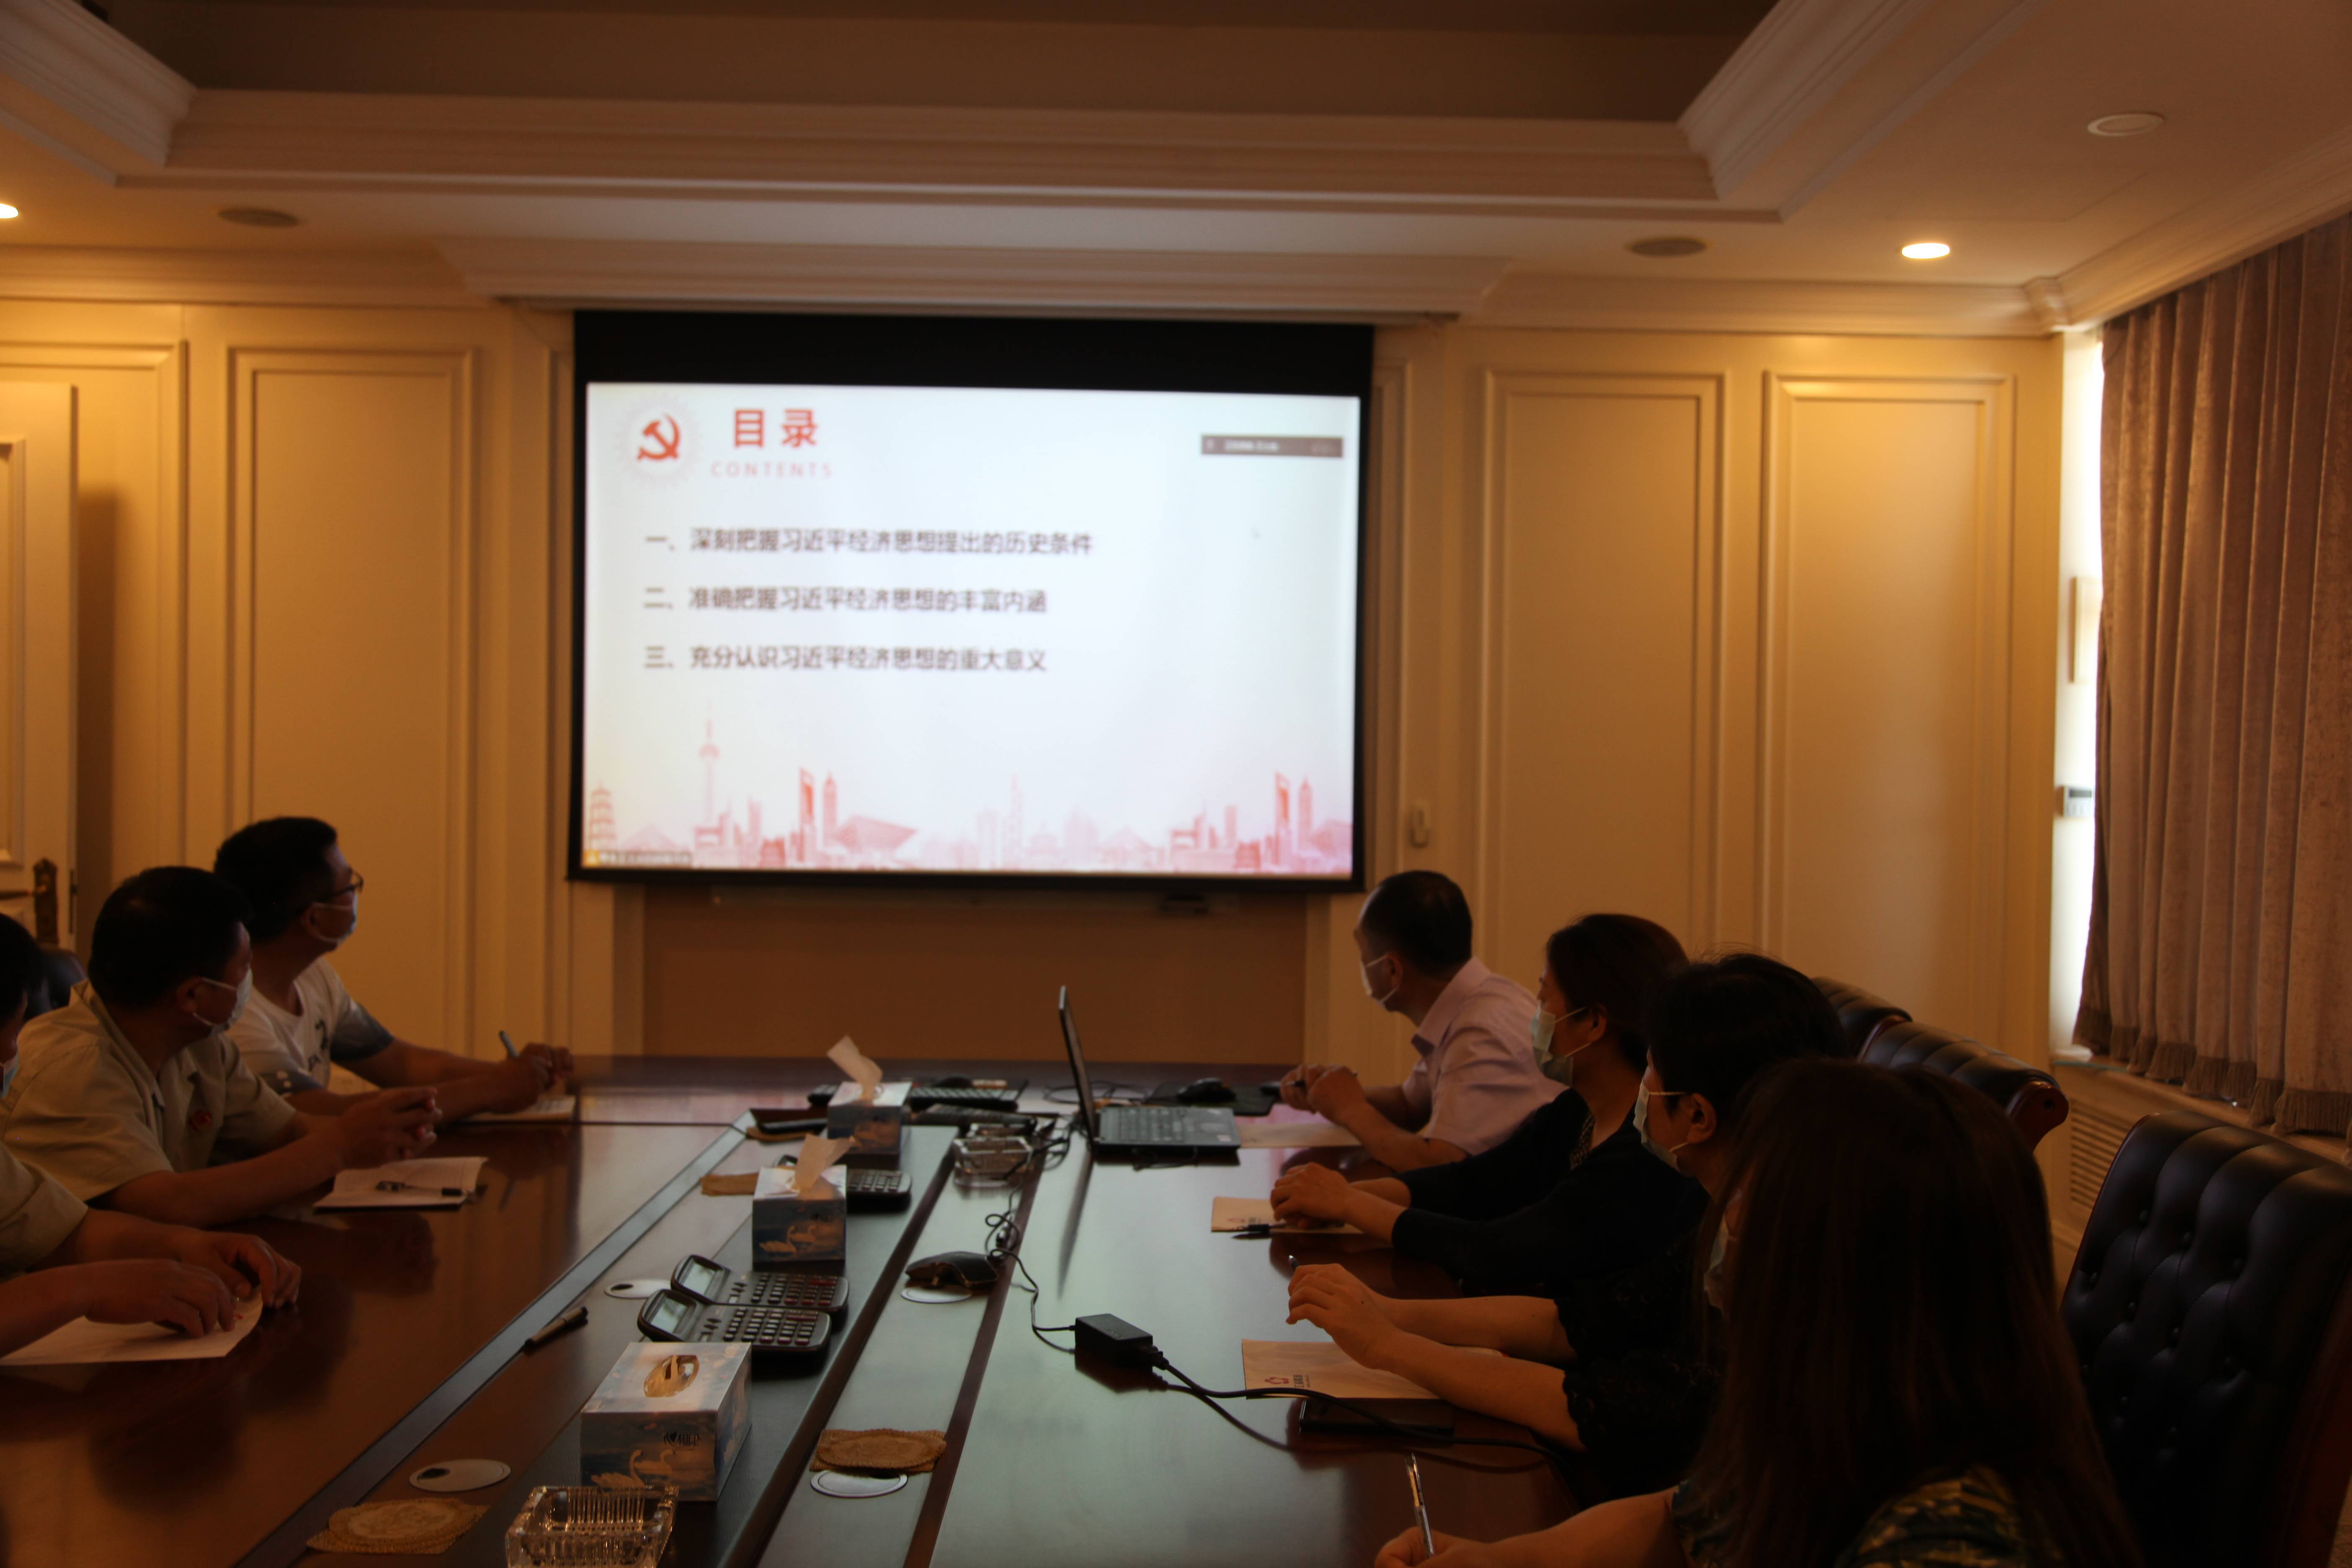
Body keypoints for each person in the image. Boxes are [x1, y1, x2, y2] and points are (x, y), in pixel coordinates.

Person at [1371, 1060, 2144, 1568]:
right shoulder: (1845, 1416)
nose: (1728, 1216)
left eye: (1753, 1192)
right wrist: (1497, 1559)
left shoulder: (1947, 1537)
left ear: (1834, 1262)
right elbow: (1681, 1518)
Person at [1289, 952, 1844, 1492]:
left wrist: (1389, 1345)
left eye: (1654, 1067)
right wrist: (1388, 1315)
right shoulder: (1717, 1216)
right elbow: (1574, 1321)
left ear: (1698, 1115)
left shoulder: (1769, 1252)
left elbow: (1606, 1411)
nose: (1644, 1084)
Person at [1271, 913, 1694, 1296]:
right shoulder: (1577, 1111)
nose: (1536, 1017)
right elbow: (1473, 1183)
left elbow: (1495, 1251)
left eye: (1544, 1001)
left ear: (1594, 1023)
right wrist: (1339, 1196)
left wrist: (1350, 1205)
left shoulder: (1643, 1152)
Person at [2, 867, 440, 1227]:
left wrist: (383, 1131)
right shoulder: (70, 1068)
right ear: (193, 995)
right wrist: (340, 1146)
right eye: (245, 966)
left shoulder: (200, 1043)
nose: (251, 981)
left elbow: (287, 1132)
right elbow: (166, 1206)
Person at [0, 914, 302, 1355]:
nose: (11, 1057)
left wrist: (186, 1247)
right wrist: (88, 1288)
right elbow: (161, 1203)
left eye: (11, 1038)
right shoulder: (72, 1062)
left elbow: (64, 1230)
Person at [213, 818, 571, 1122]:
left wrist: (517, 1074)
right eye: (349, 887)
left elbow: (402, 1064)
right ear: (314, 918)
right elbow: (315, 1114)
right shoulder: (235, 1016)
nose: (356, 896)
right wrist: (489, 1090)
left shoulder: (313, 976)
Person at [1277, 871, 1559, 1171]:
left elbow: (1440, 1167)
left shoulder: (1481, 1034)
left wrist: (1351, 1109)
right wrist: (1333, 1092)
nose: (1362, 964)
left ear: (1392, 971)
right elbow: (1409, 1104)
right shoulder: (1474, 1003)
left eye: (1363, 954)